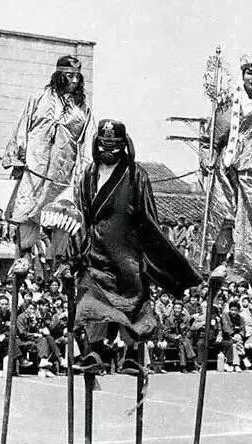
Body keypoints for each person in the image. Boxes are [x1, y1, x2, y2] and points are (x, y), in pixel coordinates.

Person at [67, 119, 201, 366]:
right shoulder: (88, 175)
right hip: (95, 253)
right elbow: (82, 216)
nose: (108, 151)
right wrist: (73, 255)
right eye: (104, 145)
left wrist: (152, 256)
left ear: (124, 145)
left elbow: (148, 218)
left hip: (126, 254)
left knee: (132, 305)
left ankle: (132, 355)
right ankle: (95, 351)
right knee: (91, 301)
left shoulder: (136, 175)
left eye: (114, 146)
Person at [2, 55, 95, 261]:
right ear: (59, 75)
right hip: (35, 165)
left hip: (63, 170)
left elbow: (88, 139)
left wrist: (86, 169)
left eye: (77, 77)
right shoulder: (39, 98)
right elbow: (23, 127)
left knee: (62, 214)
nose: (74, 80)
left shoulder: (83, 108)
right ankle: (24, 258)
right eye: (69, 76)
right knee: (27, 209)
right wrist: (18, 156)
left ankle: (58, 260)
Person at [203, 47, 252, 283]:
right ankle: (218, 264)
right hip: (228, 172)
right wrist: (208, 156)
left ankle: (250, 271)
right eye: (249, 72)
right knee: (225, 218)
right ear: (243, 74)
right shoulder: (227, 105)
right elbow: (211, 140)